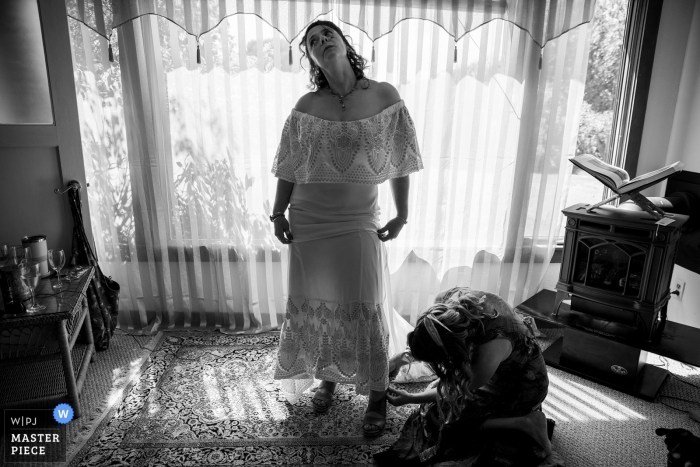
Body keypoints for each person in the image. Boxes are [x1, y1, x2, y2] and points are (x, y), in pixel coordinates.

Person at [270, 20, 423, 437]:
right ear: (311, 57)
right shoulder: (305, 106)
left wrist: (401, 214)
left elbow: (401, 160)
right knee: (321, 301)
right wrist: (278, 213)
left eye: (327, 36)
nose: (321, 43)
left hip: (358, 220)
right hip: (309, 220)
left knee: (363, 301)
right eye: (312, 42)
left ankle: (376, 395)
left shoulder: (384, 95)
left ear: (344, 43)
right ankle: (327, 377)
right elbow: (287, 167)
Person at [377, 287, 553, 466]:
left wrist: (412, 398)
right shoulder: (448, 303)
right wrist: (400, 360)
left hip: (523, 385)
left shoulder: (487, 353)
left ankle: (524, 422)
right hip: (505, 366)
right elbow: (434, 338)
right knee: (436, 393)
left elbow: (456, 392)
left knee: (450, 421)